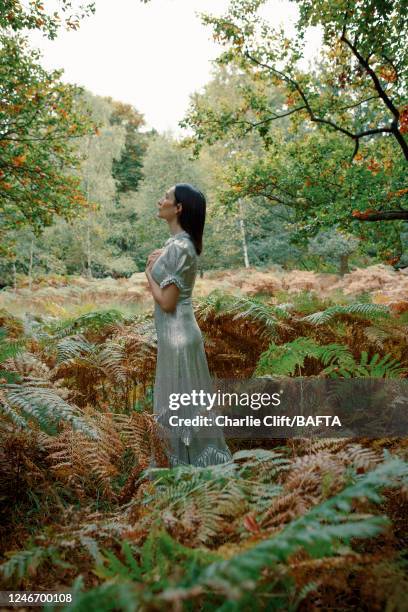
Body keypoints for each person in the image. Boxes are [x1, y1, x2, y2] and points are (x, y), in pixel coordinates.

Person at [145, 183, 232, 467]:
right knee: (186, 407)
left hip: (178, 336)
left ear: (178, 208)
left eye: (166, 197)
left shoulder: (180, 248)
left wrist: (148, 274)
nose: (160, 201)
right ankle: (187, 471)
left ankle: (185, 472)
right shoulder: (177, 245)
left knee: (182, 408)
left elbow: (168, 303)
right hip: (178, 335)